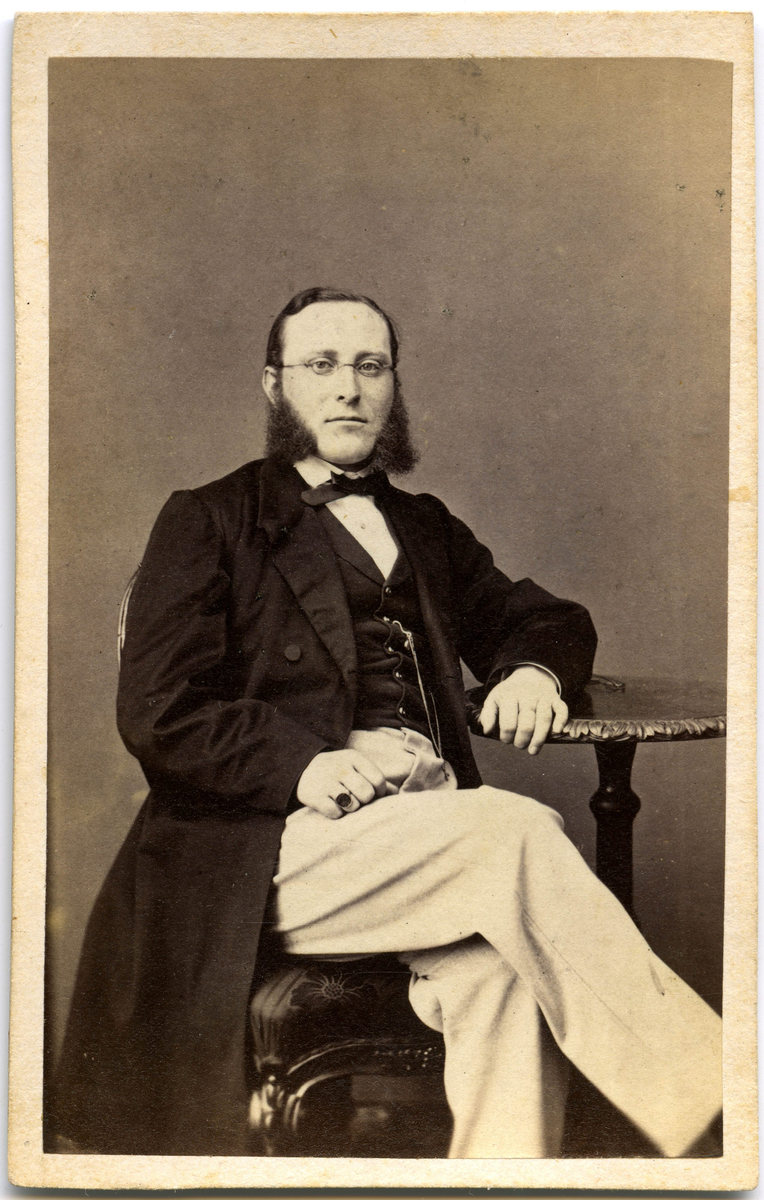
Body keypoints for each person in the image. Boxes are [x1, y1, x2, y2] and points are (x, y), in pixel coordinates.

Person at [51, 287, 721, 1159]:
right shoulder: (210, 519)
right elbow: (157, 708)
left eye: (370, 366)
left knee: (500, 977)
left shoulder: (424, 526)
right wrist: (301, 763)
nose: (348, 388)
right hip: (269, 850)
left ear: (393, 385)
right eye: (321, 365)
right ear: (274, 384)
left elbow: (548, 618)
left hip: (419, 841)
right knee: (514, 833)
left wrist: (530, 670)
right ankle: (722, 1102)